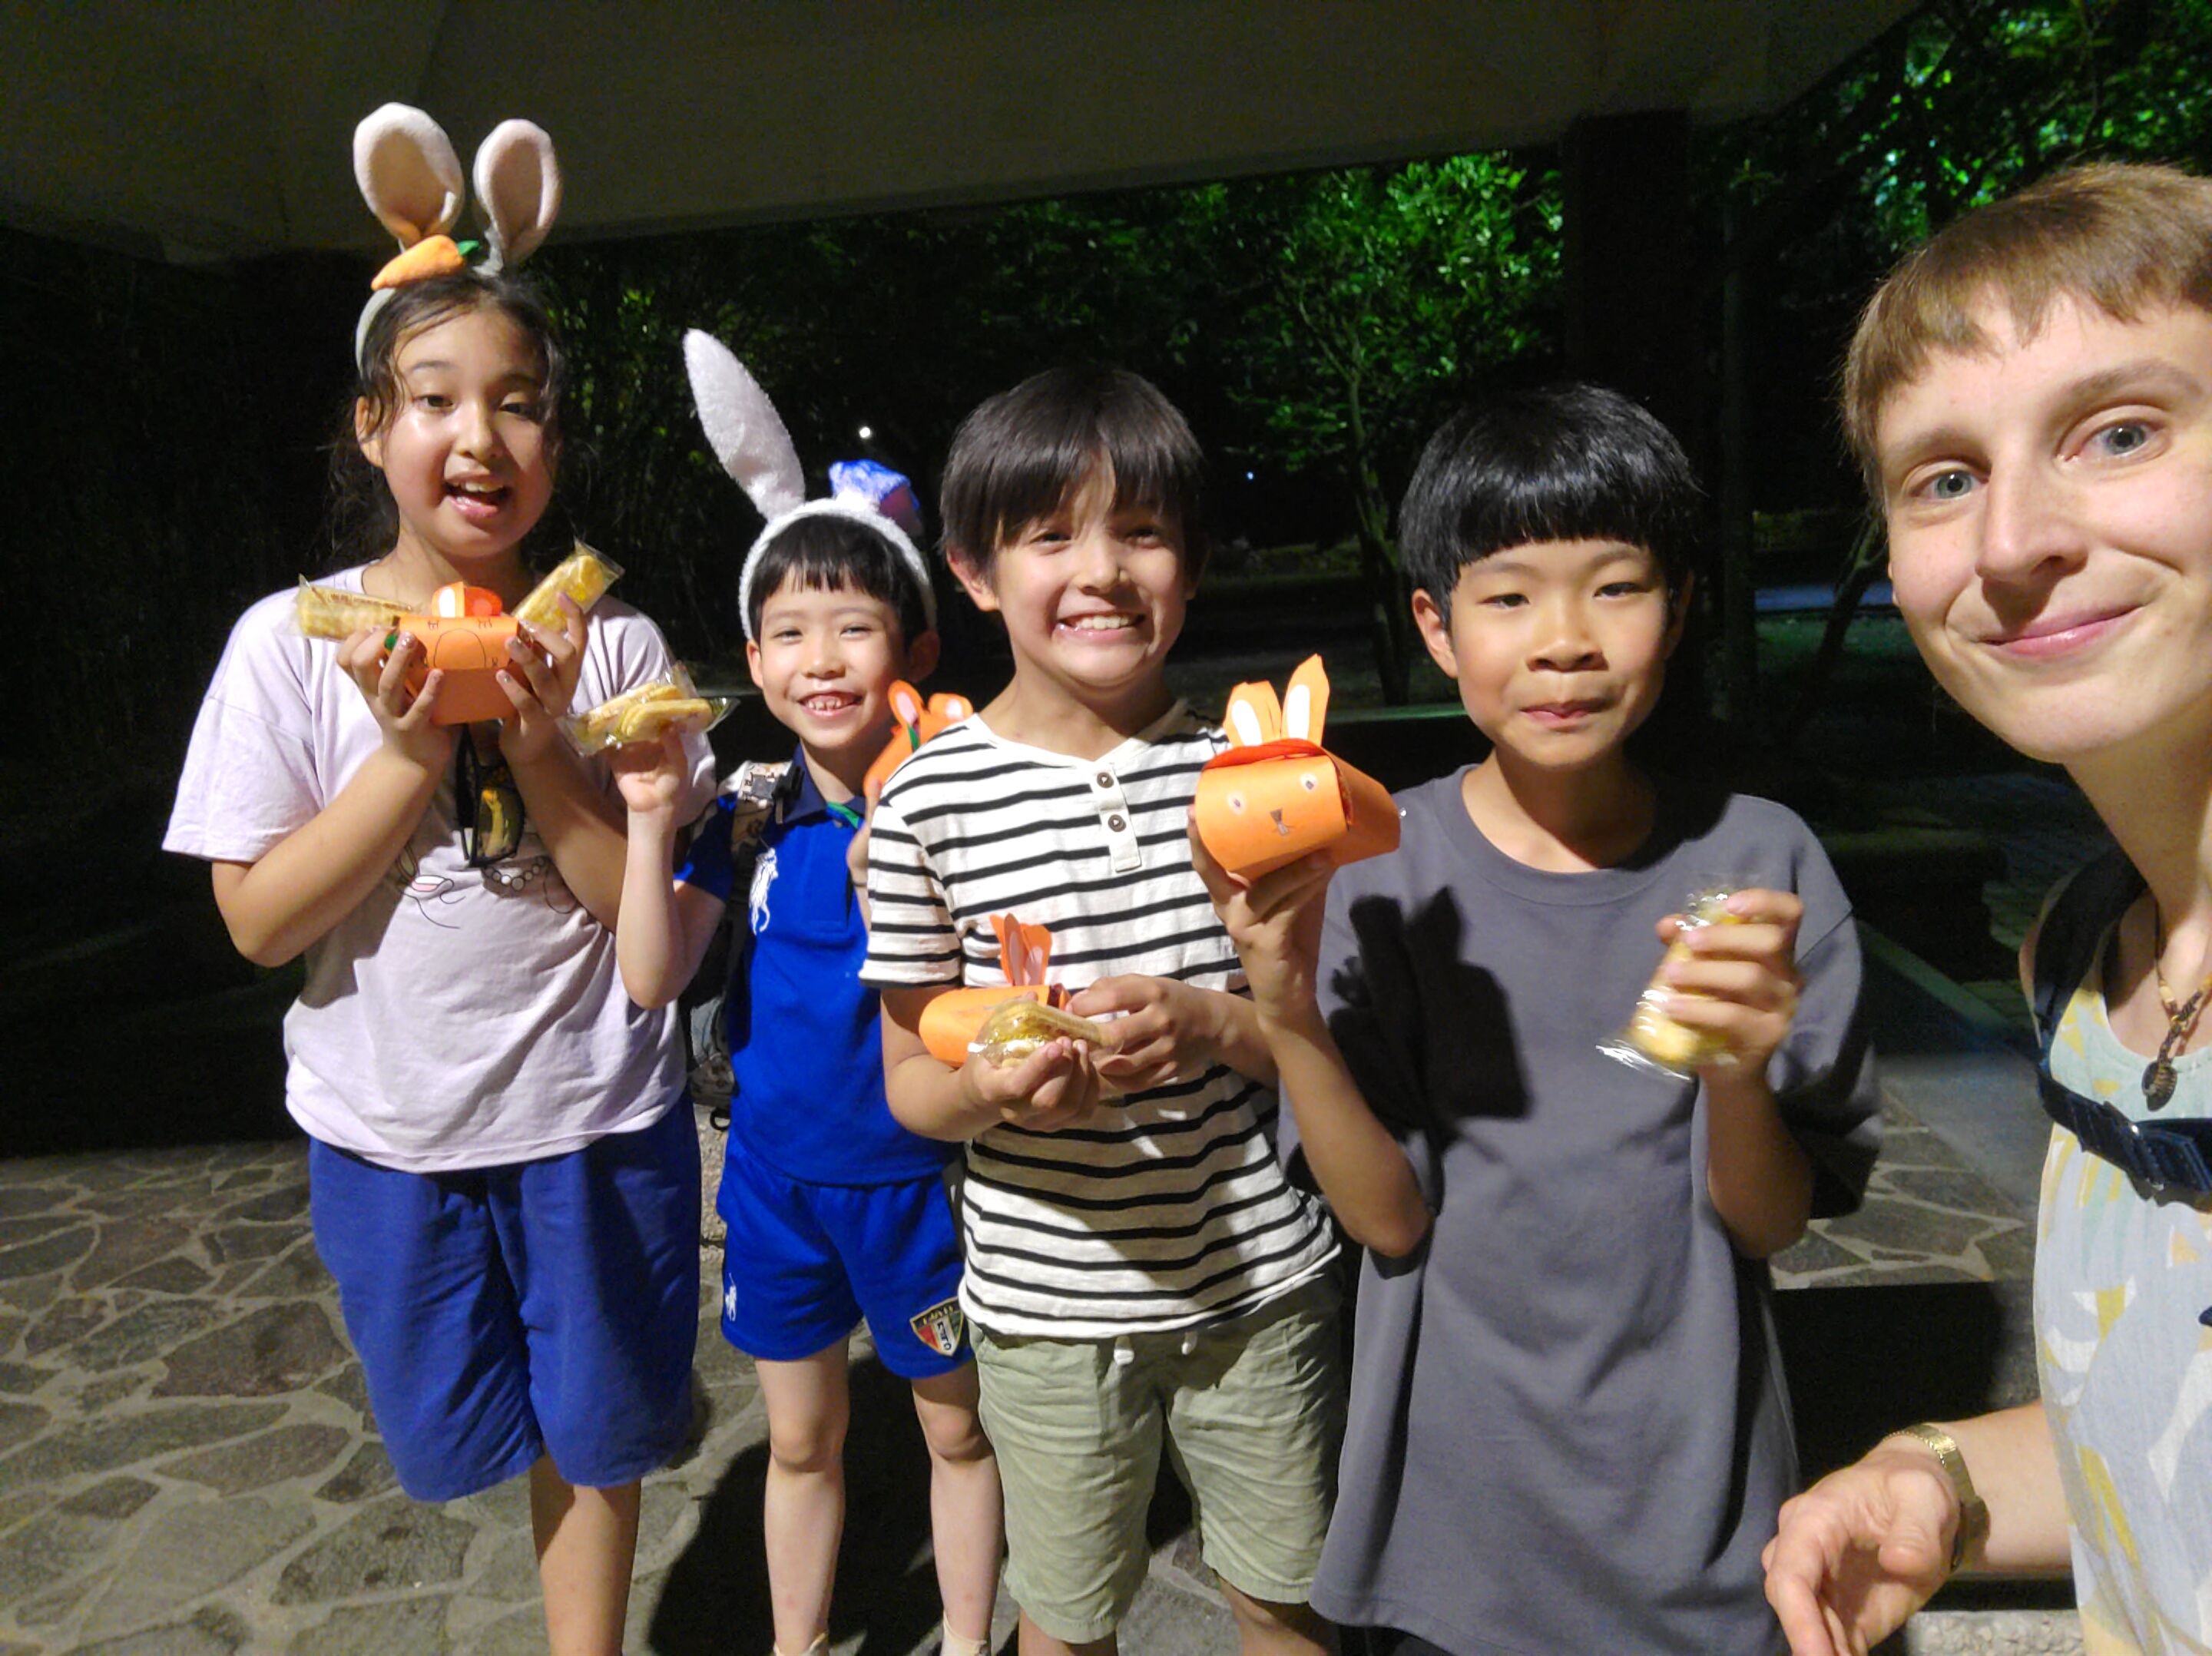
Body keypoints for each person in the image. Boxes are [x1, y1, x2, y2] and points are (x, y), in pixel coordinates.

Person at [1196, 382, 1883, 1656]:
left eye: (1616, 588)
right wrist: (1283, 1008)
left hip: (1693, 1506)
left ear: (1680, 605)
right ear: (1438, 627)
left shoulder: (1759, 862)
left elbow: (1767, 1221)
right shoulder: (1376, 869)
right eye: (1508, 598)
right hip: (1454, 1515)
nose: (1565, 642)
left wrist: (1736, 1069)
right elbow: (1388, 1221)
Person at [163, 107, 709, 1656]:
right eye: (436, 399)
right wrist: (409, 757)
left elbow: (637, 918)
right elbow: (259, 922)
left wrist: (538, 744)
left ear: (556, 442)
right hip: (390, 1131)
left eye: (521, 406)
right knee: (462, 1426)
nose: (482, 439)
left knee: (596, 1440)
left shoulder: (610, 642)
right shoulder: (290, 645)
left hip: (595, 1115)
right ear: (370, 428)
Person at [1762, 161, 2212, 1656]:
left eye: (2121, 431)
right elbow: (2159, 1432)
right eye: (1944, 476)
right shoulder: (2083, 960)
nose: (2013, 541)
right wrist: (1937, 1480)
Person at [861, 366, 1345, 1656]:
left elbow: (1316, 1039)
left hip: (1260, 1281)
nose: (1103, 571)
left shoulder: (1252, 773)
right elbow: (910, 1080)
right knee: (1067, 1619)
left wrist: (1212, 1022)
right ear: (974, 572)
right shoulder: (926, 805)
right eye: (1049, 536)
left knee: (1284, 1598)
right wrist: (988, 1089)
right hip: (1048, 1308)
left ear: (1192, 562)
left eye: (1142, 531)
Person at [612, 337, 1001, 1656]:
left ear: (917, 646)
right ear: (754, 656)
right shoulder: (748, 813)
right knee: (798, 1440)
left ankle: (965, 1638)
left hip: (924, 1185)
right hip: (777, 1189)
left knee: (956, 1430)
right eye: (788, 632)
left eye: (853, 627)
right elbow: (652, 976)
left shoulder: (958, 810)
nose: (819, 659)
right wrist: (652, 819)